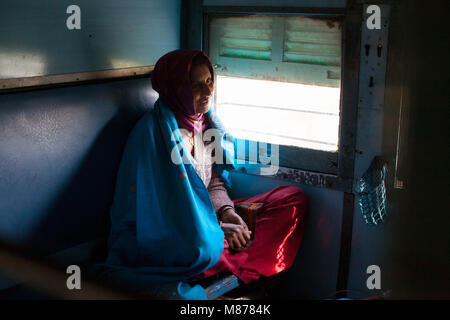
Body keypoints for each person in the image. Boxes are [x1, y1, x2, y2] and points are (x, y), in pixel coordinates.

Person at [97, 50, 309, 300]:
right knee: (204, 245)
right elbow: (156, 214)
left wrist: (227, 213)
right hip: (174, 232)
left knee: (292, 200)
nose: (208, 92)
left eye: (209, 81)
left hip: (208, 223)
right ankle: (222, 268)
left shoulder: (205, 124)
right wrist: (218, 231)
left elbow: (214, 184)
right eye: (196, 85)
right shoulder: (151, 135)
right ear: (175, 88)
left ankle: (217, 269)